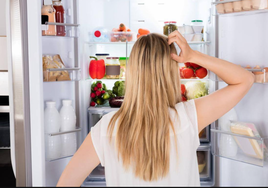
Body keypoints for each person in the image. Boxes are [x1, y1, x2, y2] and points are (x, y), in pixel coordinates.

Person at [57, 31, 254, 187]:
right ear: (171, 73)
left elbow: (66, 183)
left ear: (132, 73)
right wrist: (193, 55)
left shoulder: (105, 129)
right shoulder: (188, 117)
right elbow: (245, 79)